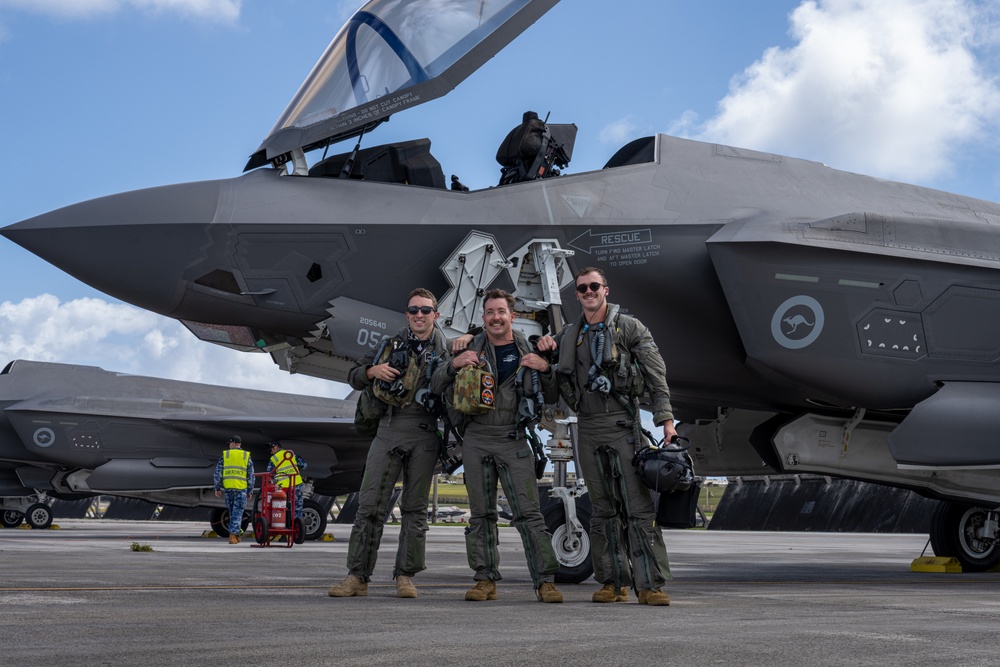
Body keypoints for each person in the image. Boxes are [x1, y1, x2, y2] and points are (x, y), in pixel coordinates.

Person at [537, 267, 674, 606]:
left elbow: (657, 377)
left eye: (594, 286)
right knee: (602, 511)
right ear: (578, 294)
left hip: (623, 425)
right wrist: (544, 363)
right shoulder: (569, 334)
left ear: (605, 290)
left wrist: (666, 421)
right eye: (582, 288)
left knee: (637, 508)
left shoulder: (629, 328)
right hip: (587, 426)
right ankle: (613, 583)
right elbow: (554, 393)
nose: (588, 292)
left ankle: (650, 585)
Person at [432, 289, 563, 603]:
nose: (495, 317)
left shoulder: (528, 350)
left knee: (530, 515)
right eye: (490, 312)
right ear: (483, 318)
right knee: (480, 516)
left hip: (513, 439)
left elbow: (556, 394)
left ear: (512, 316)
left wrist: (546, 368)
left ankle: (545, 582)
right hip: (476, 439)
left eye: (501, 311)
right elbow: (436, 385)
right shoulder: (468, 348)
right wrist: (454, 365)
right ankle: (484, 580)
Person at [328, 288, 455, 600]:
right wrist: (373, 371)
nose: (419, 315)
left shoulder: (448, 350)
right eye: (413, 310)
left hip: (425, 432)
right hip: (388, 428)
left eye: (426, 310)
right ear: (407, 314)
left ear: (435, 315)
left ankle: (405, 576)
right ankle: (357, 576)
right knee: (369, 505)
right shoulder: (388, 344)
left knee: (415, 509)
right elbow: (353, 376)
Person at [213, 435, 254, 545]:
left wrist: (217, 487)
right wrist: (250, 490)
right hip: (240, 488)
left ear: (233, 443)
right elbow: (250, 475)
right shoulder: (246, 456)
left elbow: (217, 473)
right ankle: (233, 535)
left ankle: (236, 535)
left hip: (228, 488)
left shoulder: (225, 455)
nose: (229, 445)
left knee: (232, 512)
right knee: (238, 513)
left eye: (230, 443)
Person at [266, 442, 307, 520]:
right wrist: (296, 470)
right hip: (296, 484)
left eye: (271, 450)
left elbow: (269, 473)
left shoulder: (274, 458)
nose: (271, 452)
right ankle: (296, 524)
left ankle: (284, 523)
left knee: (282, 506)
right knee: (297, 506)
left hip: (282, 487)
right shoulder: (291, 454)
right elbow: (304, 465)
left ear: (275, 447)